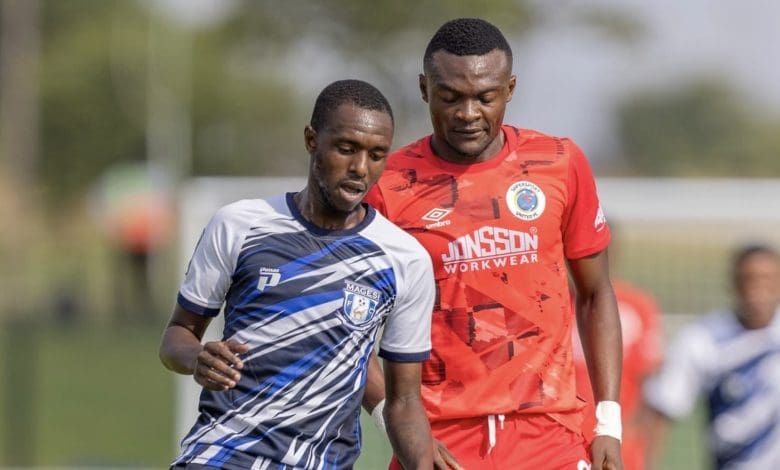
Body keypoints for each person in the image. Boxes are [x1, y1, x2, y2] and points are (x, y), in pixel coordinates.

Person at [363, 18, 623, 470]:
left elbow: (596, 293)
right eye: (450, 97)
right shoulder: (387, 186)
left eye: (485, 97)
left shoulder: (558, 163)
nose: (468, 113)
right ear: (425, 89)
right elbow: (348, 325)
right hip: (438, 444)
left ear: (510, 89)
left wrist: (608, 423)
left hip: (552, 439)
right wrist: (399, 427)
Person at [159, 79, 436, 470]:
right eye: (346, 149)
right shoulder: (239, 225)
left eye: (377, 155)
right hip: (220, 458)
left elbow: (404, 403)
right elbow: (176, 336)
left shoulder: (404, 259)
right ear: (311, 139)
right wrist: (197, 356)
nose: (360, 168)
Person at [643, 244, 780, 469]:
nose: (758, 290)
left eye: (768, 280)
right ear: (734, 283)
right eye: (750, 280)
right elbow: (664, 405)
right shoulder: (703, 339)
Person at [573, 278, 664, 470]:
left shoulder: (636, 305)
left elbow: (651, 384)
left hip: (619, 444)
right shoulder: (552, 304)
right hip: (564, 443)